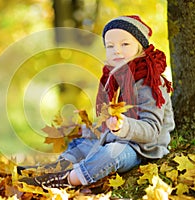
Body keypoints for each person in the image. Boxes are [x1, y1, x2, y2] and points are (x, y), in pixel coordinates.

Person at [18, 15, 175, 188]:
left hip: (141, 150)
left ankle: (67, 180)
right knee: (82, 145)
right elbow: (105, 122)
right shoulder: (113, 80)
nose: (117, 50)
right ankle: (51, 170)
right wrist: (89, 130)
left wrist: (124, 126)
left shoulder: (149, 81)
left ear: (141, 47)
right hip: (113, 138)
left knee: (111, 153)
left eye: (125, 44)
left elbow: (152, 130)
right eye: (110, 46)